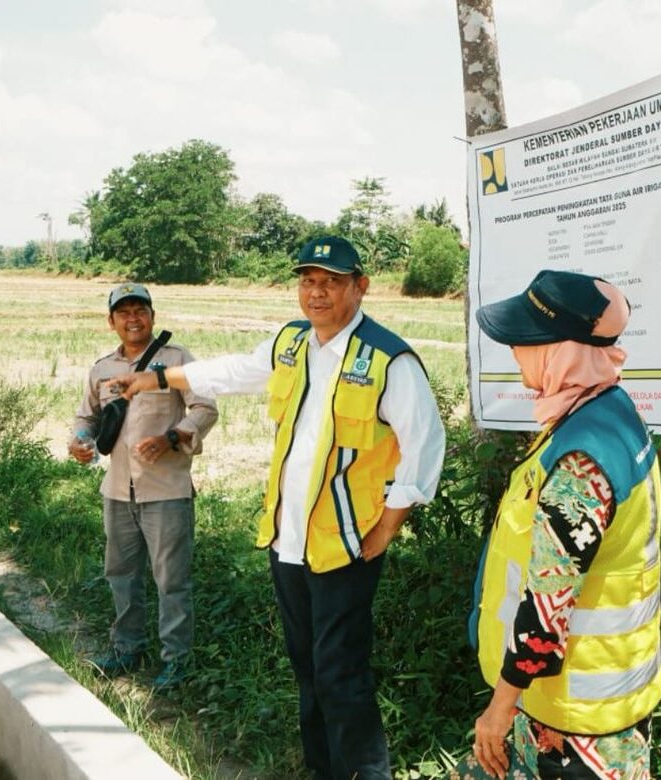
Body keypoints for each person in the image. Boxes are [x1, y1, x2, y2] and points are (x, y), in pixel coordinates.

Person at [109, 236, 446, 779]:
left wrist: (385, 531)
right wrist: (155, 377)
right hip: (288, 541)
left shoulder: (387, 359)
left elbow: (425, 447)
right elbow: (236, 371)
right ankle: (323, 769)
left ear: (360, 287)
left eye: (331, 282)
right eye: (309, 281)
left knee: (341, 673)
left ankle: (363, 772)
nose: (317, 293)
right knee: (308, 668)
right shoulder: (292, 342)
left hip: (347, 544)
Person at [456, 270, 661, 779]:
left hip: (581, 727)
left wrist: (498, 709)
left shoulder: (583, 458)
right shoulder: (603, 412)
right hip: (566, 705)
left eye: (527, 341)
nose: (516, 351)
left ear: (563, 350)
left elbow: (547, 609)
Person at [70, 282, 218, 690]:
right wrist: (80, 441)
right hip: (116, 491)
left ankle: (176, 662)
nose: (133, 318)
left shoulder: (175, 361)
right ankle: (126, 649)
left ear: (153, 316)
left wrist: (172, 438)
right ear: (112, 321)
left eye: (140, 310)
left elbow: (205, 408)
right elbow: (88, 417)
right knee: (120, 574)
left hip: (166, 490)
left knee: (171, 580)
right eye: (124, 312)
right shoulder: (102, 369)